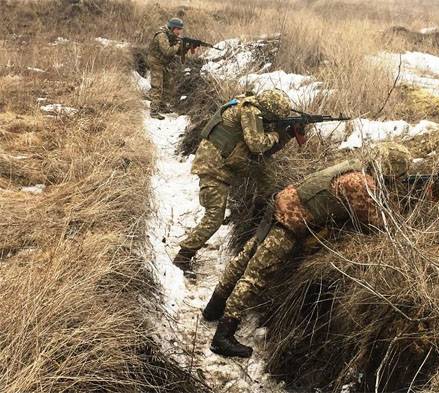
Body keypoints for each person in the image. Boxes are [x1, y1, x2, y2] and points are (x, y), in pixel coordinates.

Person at [202, 141, 412, 357]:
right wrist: (401, 203)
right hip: (290, 220)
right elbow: (382, 224)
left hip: (281, 205)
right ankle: (223, 336)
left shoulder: (353, 166)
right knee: (256, 275)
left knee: (243, 260)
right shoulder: (361, 183)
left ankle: (213, 308)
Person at [172, 90, 299, 278]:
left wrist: (287, 135)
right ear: (270, 110)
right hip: (213, 168)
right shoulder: (250, 111)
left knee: (267, 177)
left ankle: (255, 217)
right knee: (214, 217)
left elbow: (262, 155)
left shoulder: (246, 103)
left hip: (220, 164)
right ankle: (182, 257)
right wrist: (276, 135)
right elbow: (257, 145)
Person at [148, 18, 185, 120]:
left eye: (180, 29)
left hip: (163, 63)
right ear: (172, 28)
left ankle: (163, 106)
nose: (180, 32)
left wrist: (184, 47)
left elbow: (176, 52)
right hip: (156, 62)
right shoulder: (162, 35)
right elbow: (168, 51)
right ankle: (154, 111)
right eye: (178, 29)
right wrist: (178, 45)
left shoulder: (171, 35)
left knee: (168, 84)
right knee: (157, 86)